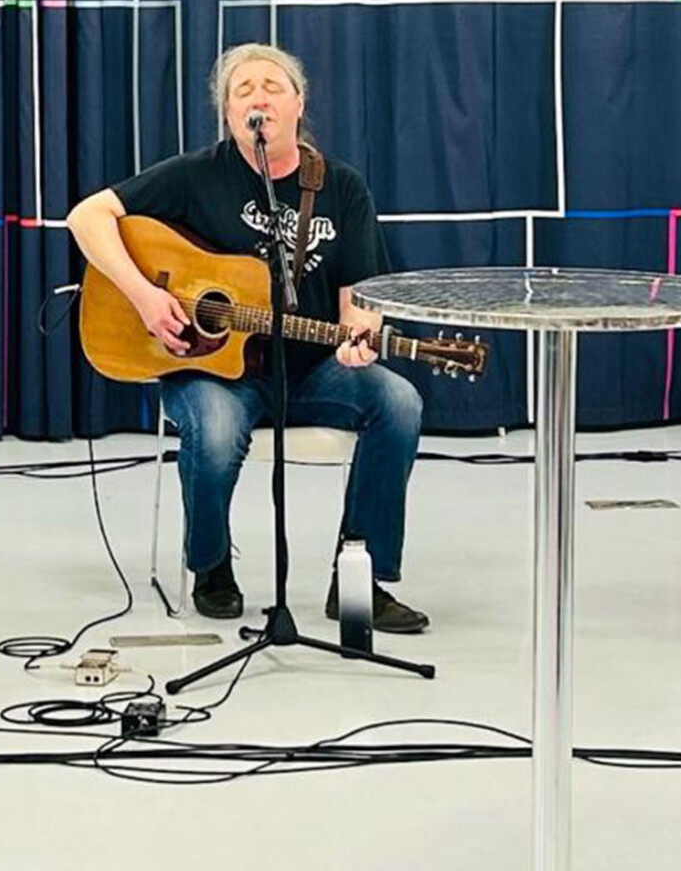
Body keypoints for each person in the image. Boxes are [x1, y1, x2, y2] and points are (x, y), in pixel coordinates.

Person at [66, 43, 429, 633]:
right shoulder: (194, 175)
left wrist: (360, 336)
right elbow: (87, 216)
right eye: (242, 91)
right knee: (213, 429)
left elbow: (357, 302)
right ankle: (210, 565)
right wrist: (144, 295)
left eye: (272, 86)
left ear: (298, 103)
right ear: (228, 115)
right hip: (210, 368)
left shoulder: (340, 187)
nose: (258, 97)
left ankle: (360, 582)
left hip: (311, 367)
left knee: (399, 401)